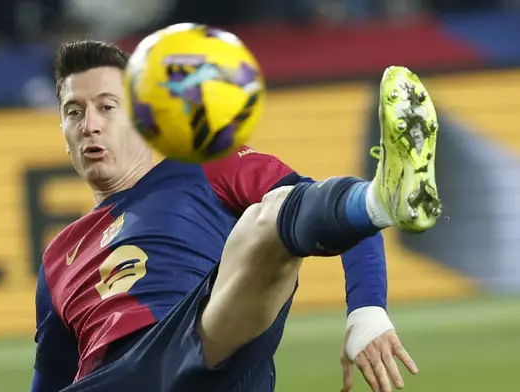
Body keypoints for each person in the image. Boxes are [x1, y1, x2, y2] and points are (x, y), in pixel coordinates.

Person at [30, 39, 441, 392]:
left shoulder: (204, 166)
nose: (90, 126)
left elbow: (328, 212)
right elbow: (50, 378)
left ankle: (382, 201)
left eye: (107, 107)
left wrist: (367, 313)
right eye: (74, 112)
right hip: (116, 379)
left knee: (272, 215)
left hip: (207, 346)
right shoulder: (58, 260)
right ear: (63, 132)